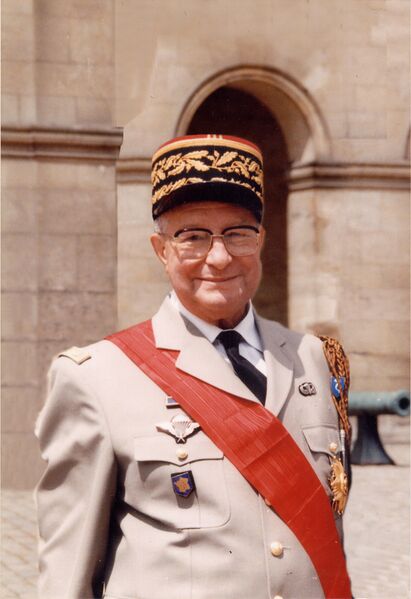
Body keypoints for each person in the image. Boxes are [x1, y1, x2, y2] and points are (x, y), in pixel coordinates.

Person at [35, 134, 352, 599]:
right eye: (193, 237)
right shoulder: (96, 378)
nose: (219, 257)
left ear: (261, 240)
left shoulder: (315, 361)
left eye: (238, 233)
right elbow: (67, 575)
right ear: (161, 249)